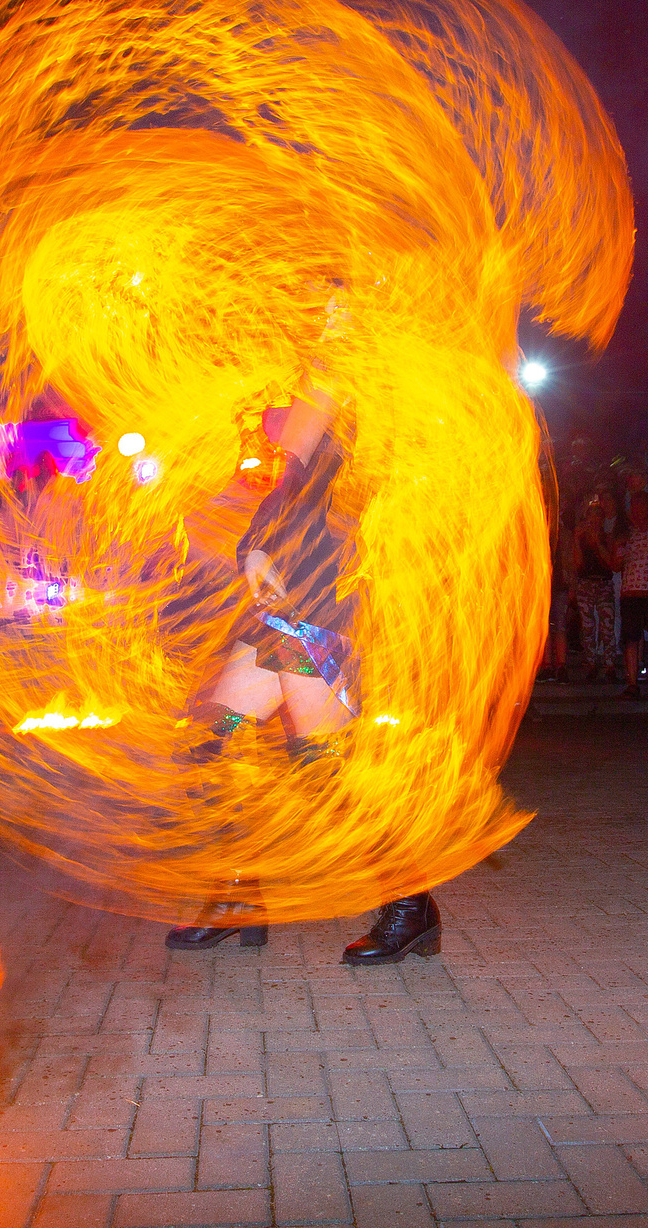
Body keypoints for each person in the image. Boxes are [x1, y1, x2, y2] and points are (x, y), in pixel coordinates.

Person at [161, 386, 441, 966]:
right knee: (214, 742)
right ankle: (239, 894)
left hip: (311, 609)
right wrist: (250, 548)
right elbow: (289, 491)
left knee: (324, 772)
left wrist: (260, 549)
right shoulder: (306, 427)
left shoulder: (338, 386)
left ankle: (410, 902)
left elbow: (320, 502)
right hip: (280, 615)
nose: (277, 414)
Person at [607, 490, 648, 698]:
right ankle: (632, 684)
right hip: (631, 594)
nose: (638, 509)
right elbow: (615, 566)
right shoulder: (626, 534)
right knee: (631, 640)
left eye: (642, 504)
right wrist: (617, 547)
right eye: (634, 505)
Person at [567, 494, 617, 683]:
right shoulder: (580, 537)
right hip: (585, 583)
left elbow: (611, 562)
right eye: (591, 517)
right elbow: (577, 564)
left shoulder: (608, 537)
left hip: (604, 583)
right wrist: (578, 541)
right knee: (587, 628)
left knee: (607, 626)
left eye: (598, 517)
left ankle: (610, 664)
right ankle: (590, 663)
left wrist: (597, 544)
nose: (595, 520)